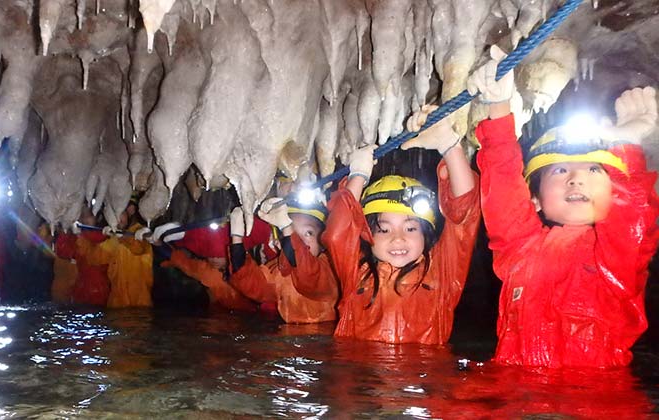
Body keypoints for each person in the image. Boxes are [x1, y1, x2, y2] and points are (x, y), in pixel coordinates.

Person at [470, 46, 659, 367]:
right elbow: (502, 187)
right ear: (536, 199)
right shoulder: (520, 250)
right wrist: (498, 109)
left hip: (592, 405)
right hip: (516, 397)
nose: (576, 179)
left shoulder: (616, 259)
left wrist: (628, 146)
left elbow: (633, 224)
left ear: (614, 190)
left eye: (593, 170)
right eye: (559, 170)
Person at [322, 110, 481, 344]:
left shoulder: (442, 273)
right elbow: (337, 235)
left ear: (425, 234)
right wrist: (358, 177)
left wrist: (450, 147)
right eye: (384, 230)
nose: (397, 239)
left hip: (423, 379)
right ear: (368, 235)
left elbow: (465, 213)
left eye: (410, 228)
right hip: (363, 379)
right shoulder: (356, 274)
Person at [228, 198, 339, 324]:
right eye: (293, 232)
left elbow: (307, 272)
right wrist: (236, 238)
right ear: (279, 243)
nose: (300, 239)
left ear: (323, 242)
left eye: (308, 233)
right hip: (291, 335)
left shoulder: (329, 270)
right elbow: (253, 285)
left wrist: (286, 228)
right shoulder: (280, 270)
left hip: (323, 337)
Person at [157, 217, 272, 313]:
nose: (213, 260)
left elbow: (181, 261)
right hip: (231, 306)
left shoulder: (214, 275)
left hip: (241, 308)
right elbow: (182, 262)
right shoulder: (213, 274)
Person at [96, 203, 154, 308]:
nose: (117, 219)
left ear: (130, 211)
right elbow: (96, 258)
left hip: (139, 301)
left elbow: (138, 249)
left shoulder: (141, 233)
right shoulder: (114, 237)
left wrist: (122, 238)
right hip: (117, 300)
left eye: (120, 214)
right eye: (113, 216)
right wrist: (101, 238)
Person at [56, 207, 110, 306]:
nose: (85, 220)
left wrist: (82, 234)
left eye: (89, 216)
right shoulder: (77, 237)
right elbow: (63, 251)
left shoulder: (105, 236)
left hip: (99, 291)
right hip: (81, 290)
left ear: (98, 218)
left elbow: (95, 250)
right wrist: (65, 232)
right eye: (81, 216)